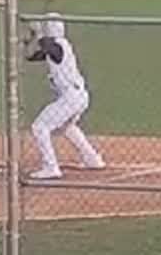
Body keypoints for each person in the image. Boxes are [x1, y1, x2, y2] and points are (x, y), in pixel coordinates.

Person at [24, 14, 106, 180]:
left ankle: (51, 167)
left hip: (71, 97)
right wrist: (31, 38)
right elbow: (31, 56)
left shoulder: (58, 46)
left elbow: (47, 46)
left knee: (39, 127)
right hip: (77, 96)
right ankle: (92, 158)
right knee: (66, 127)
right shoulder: (56, 46)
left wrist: (38, 31)